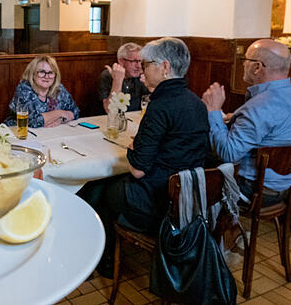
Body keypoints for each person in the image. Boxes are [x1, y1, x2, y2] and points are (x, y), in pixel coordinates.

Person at [77, 37, 209, 278]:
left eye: (147, 64)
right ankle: (100, 256)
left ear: (165, 67)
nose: (142, 71)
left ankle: (100, 260)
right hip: (189, 197)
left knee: (97, 190)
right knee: (105, 185)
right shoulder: (196, 102)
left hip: (158, 201)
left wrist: (134, 146)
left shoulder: (161, 105)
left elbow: (138, 170)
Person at [201, 39, 291, 207]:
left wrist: (213, 111)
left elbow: (228, 154)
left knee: (193, 171)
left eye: (245, 60)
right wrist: (237, 119)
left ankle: (216, 229)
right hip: (287, 187)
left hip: (253, 190)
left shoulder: (259, 108)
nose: (243, 65)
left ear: (257, 67)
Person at [4, 55, 80, 128]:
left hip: (49, 132)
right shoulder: (24, 88)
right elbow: (33, 121)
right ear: (32, 73)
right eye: (42, 72)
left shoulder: (59, 88)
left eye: (50, 73)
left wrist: (60, 120)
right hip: (17, 133)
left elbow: (75, 112)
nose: (46, 76)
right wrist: (60, 113)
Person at [98, 42, 149, 113]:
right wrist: (117, 81)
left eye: (140, 61)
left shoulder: (141, 75)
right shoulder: (107, 75)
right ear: (121, 61)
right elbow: (109, 110)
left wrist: (150, 87)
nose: (138, 66)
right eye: (134, 61)